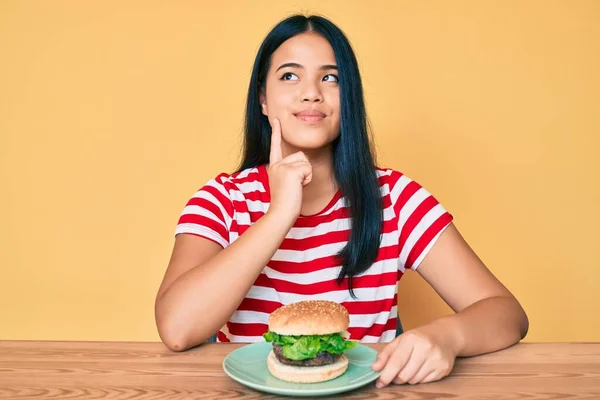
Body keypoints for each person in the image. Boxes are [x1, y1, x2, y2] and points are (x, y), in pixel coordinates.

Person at [154, 13, 529, 387]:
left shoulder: (395, 199)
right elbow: (177, 328)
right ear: (263, 100)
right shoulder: (222, 200)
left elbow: (507, 313)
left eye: (330, 78)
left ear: (349, 98)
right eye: (289, 75)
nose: (311, 92)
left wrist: (448, 337)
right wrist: (279, 215)